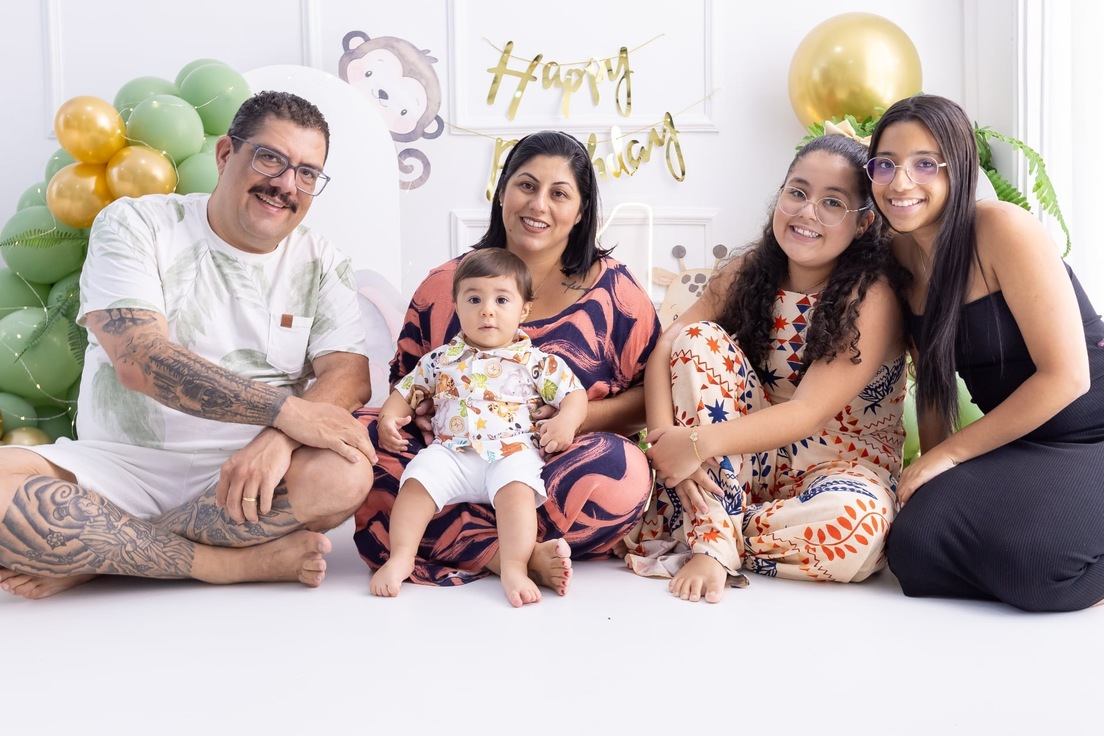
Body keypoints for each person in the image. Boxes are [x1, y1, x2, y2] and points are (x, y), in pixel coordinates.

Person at [0, 90, 377, 599]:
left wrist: (277, 439)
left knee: (345, 475)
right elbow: (138, 359)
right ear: (226, 155)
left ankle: (103, 557)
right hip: (114, 470)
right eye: (271, 158)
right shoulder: (137, 222)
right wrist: (286, 412)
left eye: (307, 173)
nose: (287, 185)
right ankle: (225, 565)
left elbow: (349, 375)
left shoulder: (321, 261)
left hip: (245, 482)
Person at [871, 93, 1104, 612]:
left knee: (1037, 565)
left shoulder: (1003, 230)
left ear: (960, 170)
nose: (901, 182)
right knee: (915, 547)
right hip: (1030, 442)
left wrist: (950, 455)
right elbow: (934, 382)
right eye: (886, 164)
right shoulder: (898, 258)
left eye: (925, 164)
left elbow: (1067, 378)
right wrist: (930, 473)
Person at [354, 130, 660, 593]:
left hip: (545, 466)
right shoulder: (446, 285)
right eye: (526, 185)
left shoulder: (618, 295)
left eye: (559, 194)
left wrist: (568, 422)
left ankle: (470, 544)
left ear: (580, 213)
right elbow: (407, 382)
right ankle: (513, 555)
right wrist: (408, 416)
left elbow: (652, 396)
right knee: (358, 439)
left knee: (625, 472)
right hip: (448, 457)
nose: (538, 205)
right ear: (502, 194)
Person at [620, 134, 907, 603]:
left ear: (863, 223)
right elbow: (667, 346)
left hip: (837, 470)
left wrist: (694, 445)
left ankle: (705, 522)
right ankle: (713, 541)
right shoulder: (748, 271)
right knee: (697, 340)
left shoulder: (872, 297)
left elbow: (807, 413)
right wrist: (663, 440)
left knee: (857, 529)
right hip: (746, 459)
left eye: (832, 202)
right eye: (797, 192)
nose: (807, 211)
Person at [369, 248, 587, 606]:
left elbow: (574, 395)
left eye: (502, 299)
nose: (487, 310)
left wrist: (566, 421)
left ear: (524, 310)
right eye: (474, 298)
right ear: (456, 306)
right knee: (417, 481)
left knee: (517, 490)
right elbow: (405, 392)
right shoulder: (441, 359)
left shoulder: (536, 362)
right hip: (451, 454)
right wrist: (388, 417)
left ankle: (515, 565)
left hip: (511, 452)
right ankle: (402, 556)